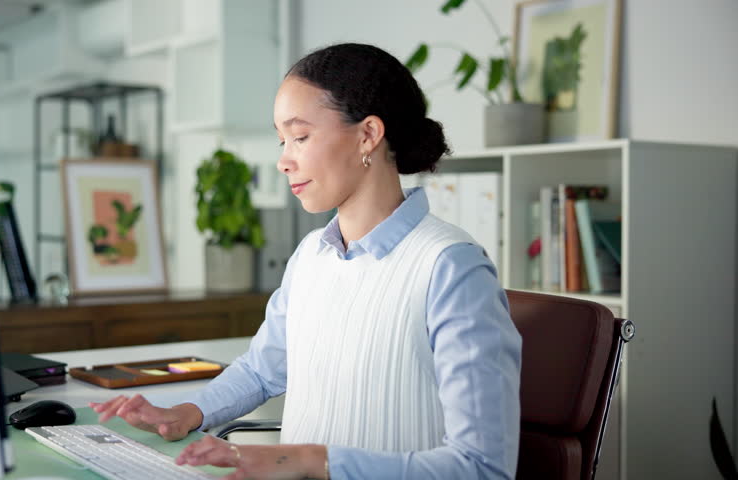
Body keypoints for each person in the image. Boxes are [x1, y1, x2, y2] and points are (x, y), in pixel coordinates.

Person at [91, 43, 522, 480]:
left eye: (300, 136)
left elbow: (483, 467)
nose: (283, 160)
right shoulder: (312, 255)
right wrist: (187, 413)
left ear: (368, 135)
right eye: (283, 141)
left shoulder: (451, 268)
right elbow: (262, 371)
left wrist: (308, 461)